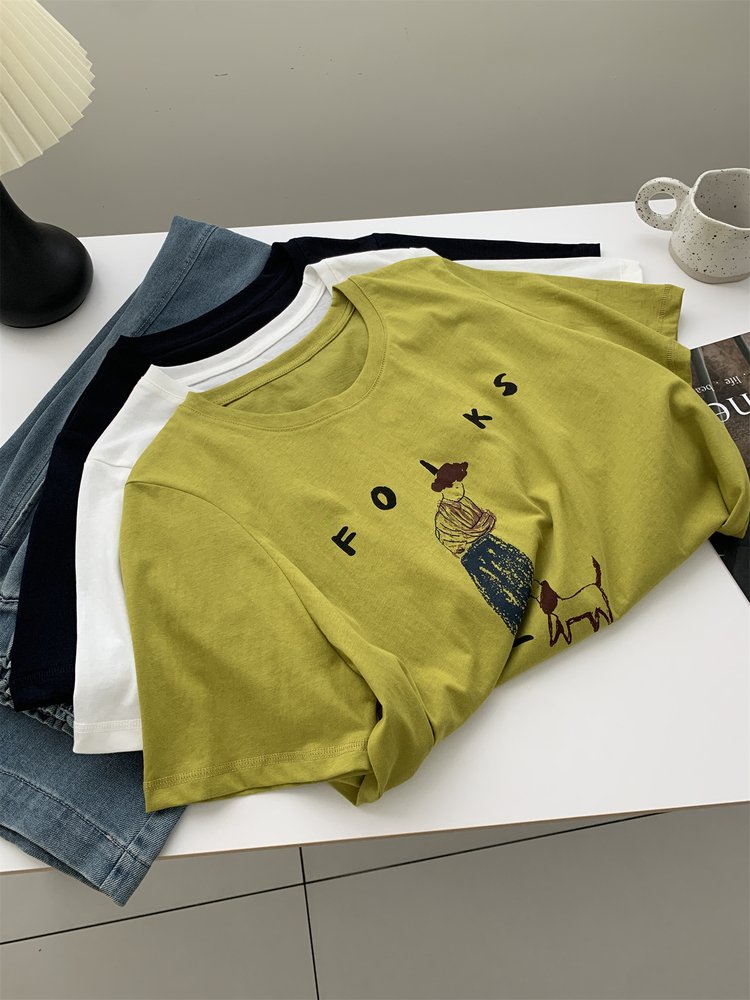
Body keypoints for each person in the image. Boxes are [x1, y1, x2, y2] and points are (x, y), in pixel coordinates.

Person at [421, 459, 533, 634]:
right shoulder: (442, 517)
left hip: (492, 544)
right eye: (454, 487)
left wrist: (477, 530)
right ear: (442, 489)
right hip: (475, 559)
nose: (459, 490)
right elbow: (456, 541)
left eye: (460, 485)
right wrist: (478, 529)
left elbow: (487, 519)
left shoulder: (466, 502)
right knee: (500, 591)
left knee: (521, 568)